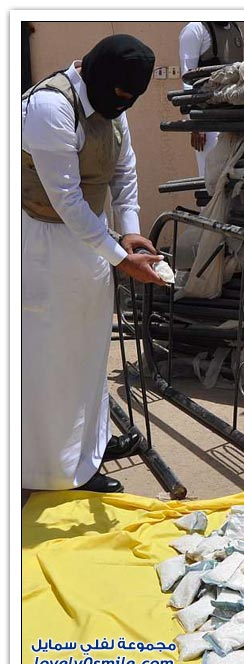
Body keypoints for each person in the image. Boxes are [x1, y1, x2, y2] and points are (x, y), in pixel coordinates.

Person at [22, 34, 165, 493]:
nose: (122, 105)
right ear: (99, 75)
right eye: (119, 95)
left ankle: (86, 452)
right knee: (49, 357)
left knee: (87, 352)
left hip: (90, 244)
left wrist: (130, 230)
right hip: (42, 245)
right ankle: (48, 469)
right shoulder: (51, 107)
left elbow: (123, 172)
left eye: (130, 99)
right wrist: (121, 257)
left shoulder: (111, 107)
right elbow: (65, 199)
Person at [178, 22, 244, 177]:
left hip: (236, 115)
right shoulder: (195, 29)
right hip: (208, 118)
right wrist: (196, 123)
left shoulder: (235, 29)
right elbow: (187, 80)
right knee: (211, 176)